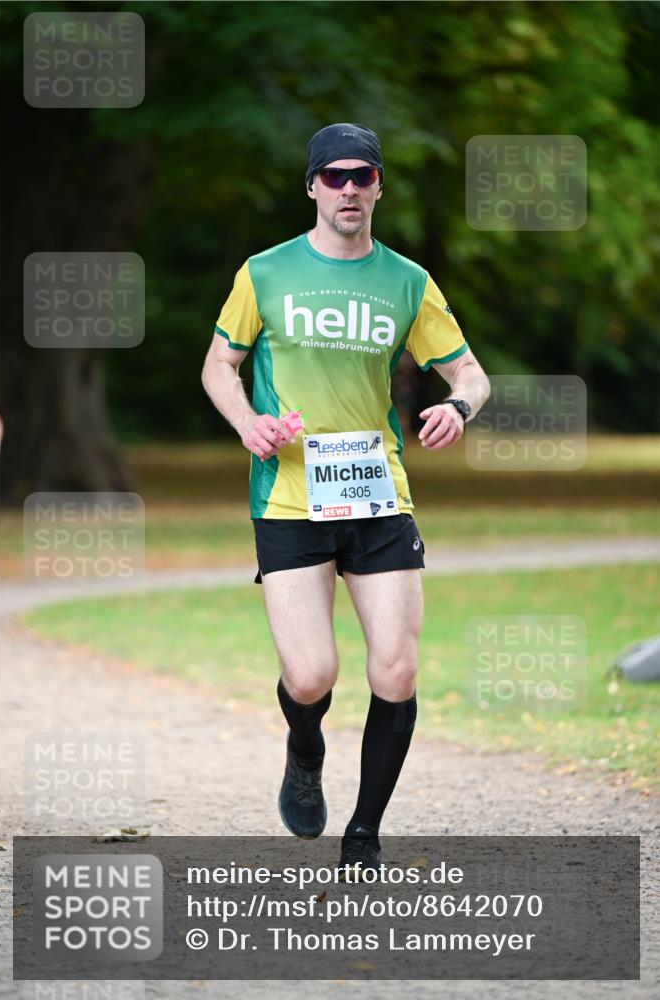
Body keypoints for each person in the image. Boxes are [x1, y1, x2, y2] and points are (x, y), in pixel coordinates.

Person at [201, 123, 490, 878]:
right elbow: (218, 368)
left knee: (394, 670)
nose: (350, 188)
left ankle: (363, 831)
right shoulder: (264, 272)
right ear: (312, 187)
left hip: (377, 492)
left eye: (362, 175)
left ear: (379, 186)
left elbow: (470, 375)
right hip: (290, 498)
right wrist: (247, 423)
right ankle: (305, 748)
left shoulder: (407, 280)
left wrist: (455, 409)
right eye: (334, 177)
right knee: (311, 677)